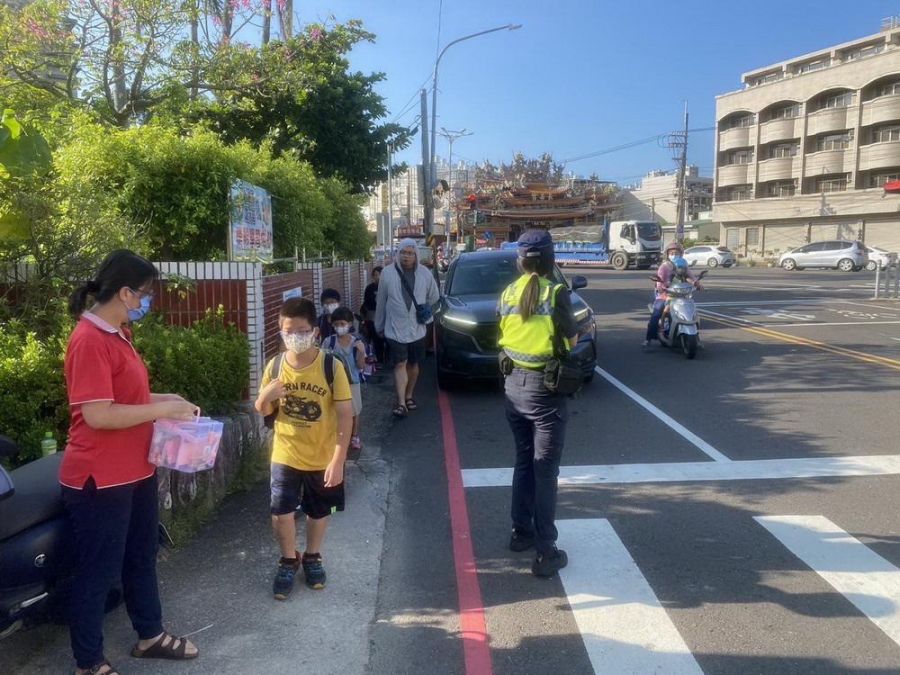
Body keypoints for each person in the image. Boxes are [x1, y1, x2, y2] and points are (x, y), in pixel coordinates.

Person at [62, 250, 201, 675]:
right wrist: (160, 411)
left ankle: (150, 635)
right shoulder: (88, 340)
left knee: (141, 556)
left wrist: (170, 401)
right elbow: (99, 414)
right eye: (144, 295)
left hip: (136, 469)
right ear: (125, 293)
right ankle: (89, 663)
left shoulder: (118, 333)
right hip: (99, 478)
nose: (147, 303)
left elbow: (130, 400)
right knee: (97, 573)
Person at [255, 297, 353, 601]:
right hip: (285, 452)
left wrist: (338, 459)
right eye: (288, 331)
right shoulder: (274, 366)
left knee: (318, 511)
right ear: (280, 332)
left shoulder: (330, 365)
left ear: (314, 332)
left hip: (322, 454)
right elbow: (261, 409)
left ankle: (312, 556)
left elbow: (346, 414)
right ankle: (288, 559)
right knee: (281, 512)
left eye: (301, 330)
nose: (294, 337)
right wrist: (267, 394)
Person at [498, 229, 578, 578]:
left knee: (523, 462)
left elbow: (503, 335)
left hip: (513, 386)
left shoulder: (508, 292)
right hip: (546, 391)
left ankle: (521, 532)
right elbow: (570, 341)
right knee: (546, 471)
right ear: (550, 259)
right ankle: (546, 551)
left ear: (520, 261)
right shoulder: (557, 292)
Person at [375, 238, 440, 418]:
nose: (406, 256)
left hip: (417, 328)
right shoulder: (387, 274)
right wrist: (379, 325)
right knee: (400, 363)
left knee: (413, 364)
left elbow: (435, 297)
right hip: (394, 328)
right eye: (403, 252)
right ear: (398, 254)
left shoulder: (425, 274)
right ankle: (401, 402)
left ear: (416, 255)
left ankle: (409, 395)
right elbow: (381, 302)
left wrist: (425, 309)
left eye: (410, 253)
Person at [643, 242, 703, 348]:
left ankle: (697, 338)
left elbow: (690, 276)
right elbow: (659, 279)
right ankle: (649, 338)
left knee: (693, 312)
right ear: (667, 254)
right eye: (672, 253)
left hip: (682, 295)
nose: (674, 254)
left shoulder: (683, 265)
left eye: (676, 252)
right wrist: (661, 286)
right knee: (656, 313)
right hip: (666, 294)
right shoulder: (664, 266)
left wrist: (697, 284)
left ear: (681, 254)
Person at [325, 307, 367, 452]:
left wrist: (361, 352)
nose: (339, 327)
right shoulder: (328, 342)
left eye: (342, 324)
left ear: (350, 324)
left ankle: (354, 437)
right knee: (335, 412)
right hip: (333, 384)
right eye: (336, 324)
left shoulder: (357, 343)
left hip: (352, 383)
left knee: (354, 412)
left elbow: (361, 366)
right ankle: (337, 437)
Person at [361, 266, 385, 363]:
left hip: (386, 316)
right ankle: (378, 360)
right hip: (373, 317)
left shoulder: (387, 287)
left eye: (380, 274)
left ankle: (387, 359)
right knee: (376, 339)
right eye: (375, 275)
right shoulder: (369, 288)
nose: (378, 277)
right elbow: (366, 303)